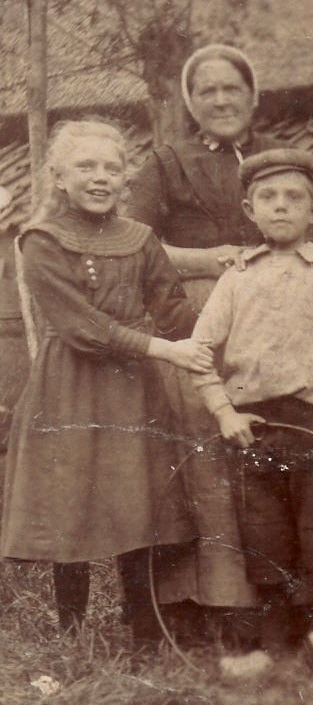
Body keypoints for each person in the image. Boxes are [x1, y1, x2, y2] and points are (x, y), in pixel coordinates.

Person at [1, 120, 213, 647]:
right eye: (86, 166)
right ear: (59, 177)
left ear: (125, 179)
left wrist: (225, 326)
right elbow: (81, 327)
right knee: (72, 499)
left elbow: (173, 310)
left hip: (134, 388)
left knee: (137, 499)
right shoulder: (41, 240)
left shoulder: (140, 238)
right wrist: (163, 350)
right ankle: (72, 635)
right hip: (70, 384)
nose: (100, 177)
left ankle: (145, 632)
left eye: (112, 168)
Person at [189, 149, 313, 675]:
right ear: (249, 210)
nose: (280, 207)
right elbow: (198, 352)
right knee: (265, 538)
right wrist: (224, 412)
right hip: (254, 429)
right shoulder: (236, 278)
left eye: (294, 198)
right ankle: (277, 651)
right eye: (268, 198)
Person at [126, 44, 279, 618]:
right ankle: (214, 599)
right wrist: (208, 259)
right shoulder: (167, 161)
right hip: (193, 316)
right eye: (206, 90)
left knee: (269, 438)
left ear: (252, 94)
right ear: (190, 102)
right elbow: (135, 242)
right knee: (206, 448)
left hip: (271, 314)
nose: (220, 100)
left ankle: (278, 595)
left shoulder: (279, 156)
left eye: (231, 87)